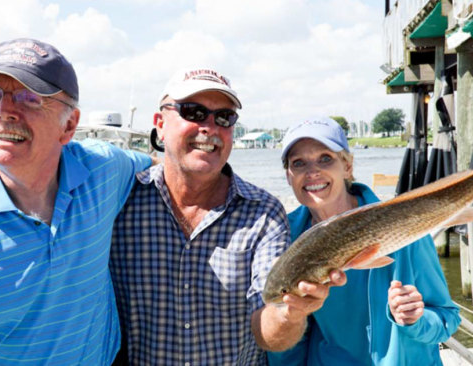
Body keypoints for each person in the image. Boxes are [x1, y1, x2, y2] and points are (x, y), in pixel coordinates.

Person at [109, 68, 344, 365]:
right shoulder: (121, 199)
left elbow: (270, 334)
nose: (209, 127)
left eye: (223, 117)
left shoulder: (263, 213)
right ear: (160, 124)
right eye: (193, 112)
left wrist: (291, 311)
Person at [0, 38, 153, 365]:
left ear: (69, 126)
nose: (4, 111)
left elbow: (158, 168)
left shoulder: (102, 169)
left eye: (29, 98)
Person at [268, 117, 461, 366]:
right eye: (299, 163)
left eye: (325, 158)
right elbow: (291, 343)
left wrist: (415, 320)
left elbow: (447, 318)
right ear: (288, 175)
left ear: (347, 166)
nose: (312, 171)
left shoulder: (400, 223)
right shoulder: (285, 237)